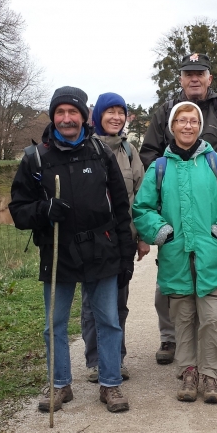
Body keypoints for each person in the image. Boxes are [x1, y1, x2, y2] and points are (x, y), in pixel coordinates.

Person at [9, 86, 136, 413]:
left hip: (102, 250)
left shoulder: (101, 153)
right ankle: (59, 384)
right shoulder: (35, 158)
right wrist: (43, 211)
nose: (67, 118)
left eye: (73, 112)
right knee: (55, 324)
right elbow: (19, 211)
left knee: (108, 321)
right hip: (57, 251)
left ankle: (110, 384)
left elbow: (121, 208)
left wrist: (126, 256)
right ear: (53, 116)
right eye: (60, 112)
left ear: (83, 116)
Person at [133, 101, 217, 403]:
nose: (188, 126)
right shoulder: (160, 167)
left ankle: (212, 375)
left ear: (200, 126)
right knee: (182, 318)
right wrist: (163, 233)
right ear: (172, 127)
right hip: (176, 257)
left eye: (193, 121)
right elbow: (143, 208)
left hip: (212, 257)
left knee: (213, 317)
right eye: (182, 121)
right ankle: (188, 370)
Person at [140, 52, 217, 365]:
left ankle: (208, 351)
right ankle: (170, 338)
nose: (195, 78)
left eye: (200, 73)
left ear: (209, 78)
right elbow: (149, 152)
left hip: (208, 204)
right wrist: (166, 179)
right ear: (182, 78)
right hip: (172, 207)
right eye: (189, 73)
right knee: (170, 283)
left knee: (210, 285)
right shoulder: (162, 113)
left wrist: (208, 176)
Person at [82, 92, 149, 383]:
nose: (116, 117)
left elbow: (142, 197)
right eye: (109, 112)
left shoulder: (130, 151)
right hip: (92, 242)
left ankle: (115, 359)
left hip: (122, 241)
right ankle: (97, 360)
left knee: (119, 302)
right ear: (97, 116)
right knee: (91, 304)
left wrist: (142, 237)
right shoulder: (84, 148)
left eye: (120, 112)